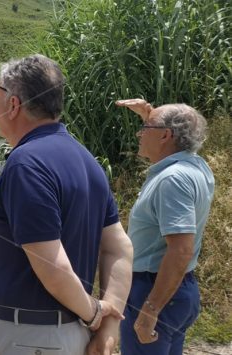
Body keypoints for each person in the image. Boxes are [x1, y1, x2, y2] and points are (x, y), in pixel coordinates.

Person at [0, 54, 134, 355]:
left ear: (12, 104)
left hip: (27, 338)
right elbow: (119, 248)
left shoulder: (27, 163)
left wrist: (96, 313)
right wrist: (107, 326)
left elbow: (52, 265)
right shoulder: (86, 161)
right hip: (66, 336)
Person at [116, 99, 215, 355]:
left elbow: (181, 250)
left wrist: (151, 308)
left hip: (155, 290)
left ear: (165, 136)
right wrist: (150, 116)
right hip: (176, 290)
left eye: (145, 127)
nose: (139, 133)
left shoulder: (172, 179)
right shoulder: (195, 166)